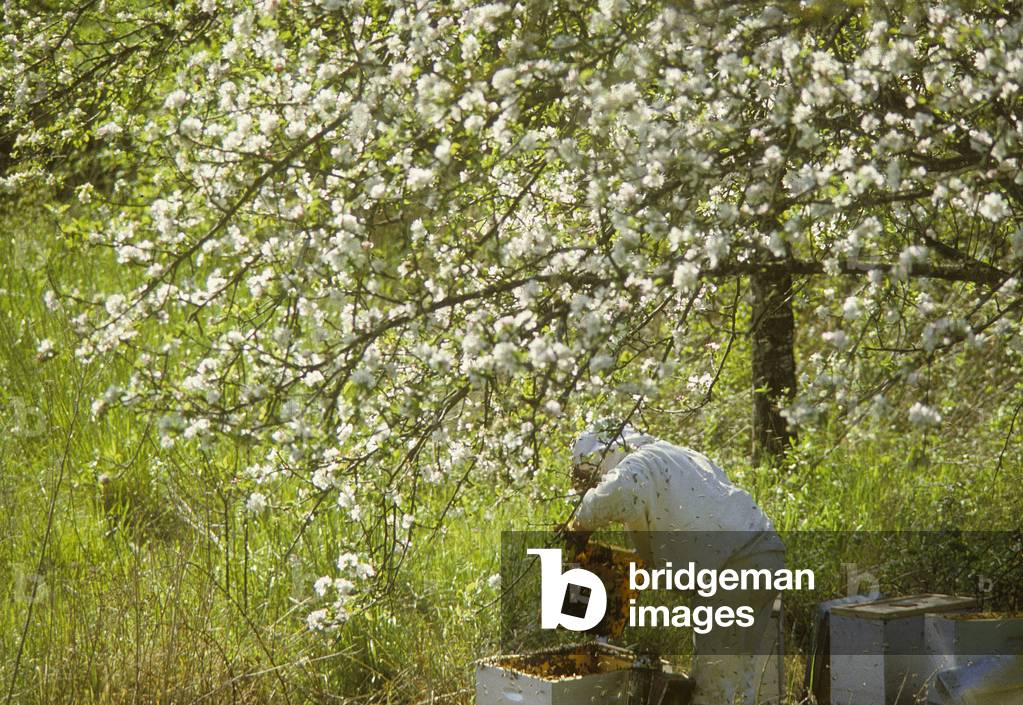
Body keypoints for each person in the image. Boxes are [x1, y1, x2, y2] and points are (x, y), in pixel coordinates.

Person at [566, 422, 785, 705]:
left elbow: (612, 495)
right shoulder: (672, 457)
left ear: (601, 456)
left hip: (736, 565)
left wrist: (578, 526)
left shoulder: (638, 465)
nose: (593, 486)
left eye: (590, 479)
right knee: (734, 672)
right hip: (760, 553)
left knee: (713, 686)